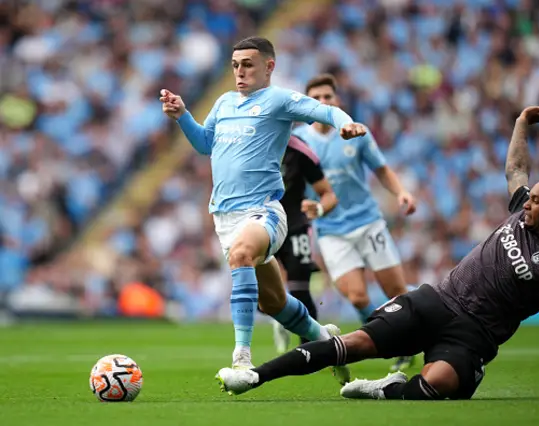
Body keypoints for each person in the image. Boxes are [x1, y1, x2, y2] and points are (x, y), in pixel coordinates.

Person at [215, 105, 539, 402]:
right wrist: (520, 122)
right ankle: (255, 376)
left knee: (439, 385)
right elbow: (516, 167)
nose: (528, 204)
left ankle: (385, 389)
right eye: (529, 198)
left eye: (537, 202)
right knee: (353, 345)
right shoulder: (519, 210)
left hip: (476, 335)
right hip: (438, 299)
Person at [160, 36, 365, 378]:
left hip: (265, 211)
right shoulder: (224, 102)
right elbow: (204, 144)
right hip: (224, 217)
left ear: (269, 66)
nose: (240, 72)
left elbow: (324, 110)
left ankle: (242, 357)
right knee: (274, 302)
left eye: (248, 65)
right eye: (235, 66)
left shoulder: (278, 100)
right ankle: (328, 343)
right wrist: (182, 115)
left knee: (241, 255)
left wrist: (343, 122)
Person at [292, 74, 417, 372]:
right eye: (316, 99)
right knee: (357, 295)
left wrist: (401, 192)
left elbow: (382, 169)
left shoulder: (355, 132)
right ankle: (391, 340)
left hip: (368, 223)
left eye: (328, 97)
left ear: (337, 101)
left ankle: (419, 330)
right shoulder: (299, 141)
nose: (323, 102)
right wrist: (304, 206)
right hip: (331, 230)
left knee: (396, 292)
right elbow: (292, 184)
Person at [272, 135, 338, 353]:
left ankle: (309, 350)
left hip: (295, 226)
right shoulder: (252, 142)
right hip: (263, 225)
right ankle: (282, 318)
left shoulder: (301, 150)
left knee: (300, 288)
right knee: (259, 293)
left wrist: (319, 208)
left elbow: (327, 193)